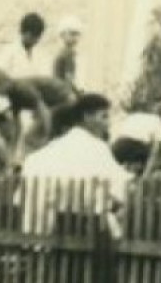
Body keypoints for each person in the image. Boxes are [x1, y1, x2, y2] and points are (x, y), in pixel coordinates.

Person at [20, 93, 130, 232]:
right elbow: (120, 189)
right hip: (84, 226)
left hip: (46, 227)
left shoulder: (47, 153)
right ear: (87, 117)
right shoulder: (97, 148)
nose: (108, 123)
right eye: (104, 117)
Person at [0, 13, 48, 80]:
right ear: (23, 33)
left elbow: (44, 76)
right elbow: (2, 78)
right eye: (32, 37)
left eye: (38, 37)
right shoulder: (9, 52)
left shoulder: (40, 53)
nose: (35, 40)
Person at [51, 15, 83, 89]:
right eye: (72, 34)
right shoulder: (67, 53)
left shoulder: (64, 52)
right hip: (63, 91)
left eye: (77, 34)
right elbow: (69, 79)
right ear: (63, 35)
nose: (75, 37)